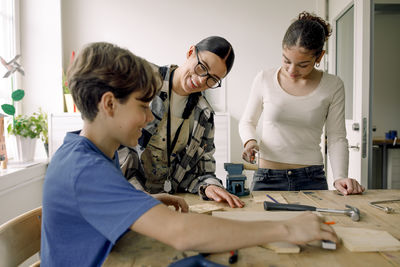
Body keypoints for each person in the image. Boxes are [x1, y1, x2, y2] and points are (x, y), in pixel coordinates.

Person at [41, 42, 338, 266]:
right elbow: (180, 233)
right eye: (144, 107)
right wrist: (286, 229)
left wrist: (143, 203)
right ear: (109, 104)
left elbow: (96, 203)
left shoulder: (84, 154)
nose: (148, 119)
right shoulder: (85, 169)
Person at [239, 12, 365, 195]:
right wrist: (249, 142)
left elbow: (337, 137)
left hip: (311, 178)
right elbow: (247, 122)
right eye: (286, 60)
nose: (292, 70)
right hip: (267, 177)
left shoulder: (333, 85)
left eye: (303, 65)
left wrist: (340, 176)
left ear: (319, 56)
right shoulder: (264, 78)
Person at [118, 36, 244, 208]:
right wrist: (142, 198)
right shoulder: (143, 79)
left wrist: (209, 185)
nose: (201, 80)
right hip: (127, 197)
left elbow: (202, 169)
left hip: (169, 202)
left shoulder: (204, 114)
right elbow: (115, 143)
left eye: (213, 79)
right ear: (191, 52)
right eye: (202, 67)